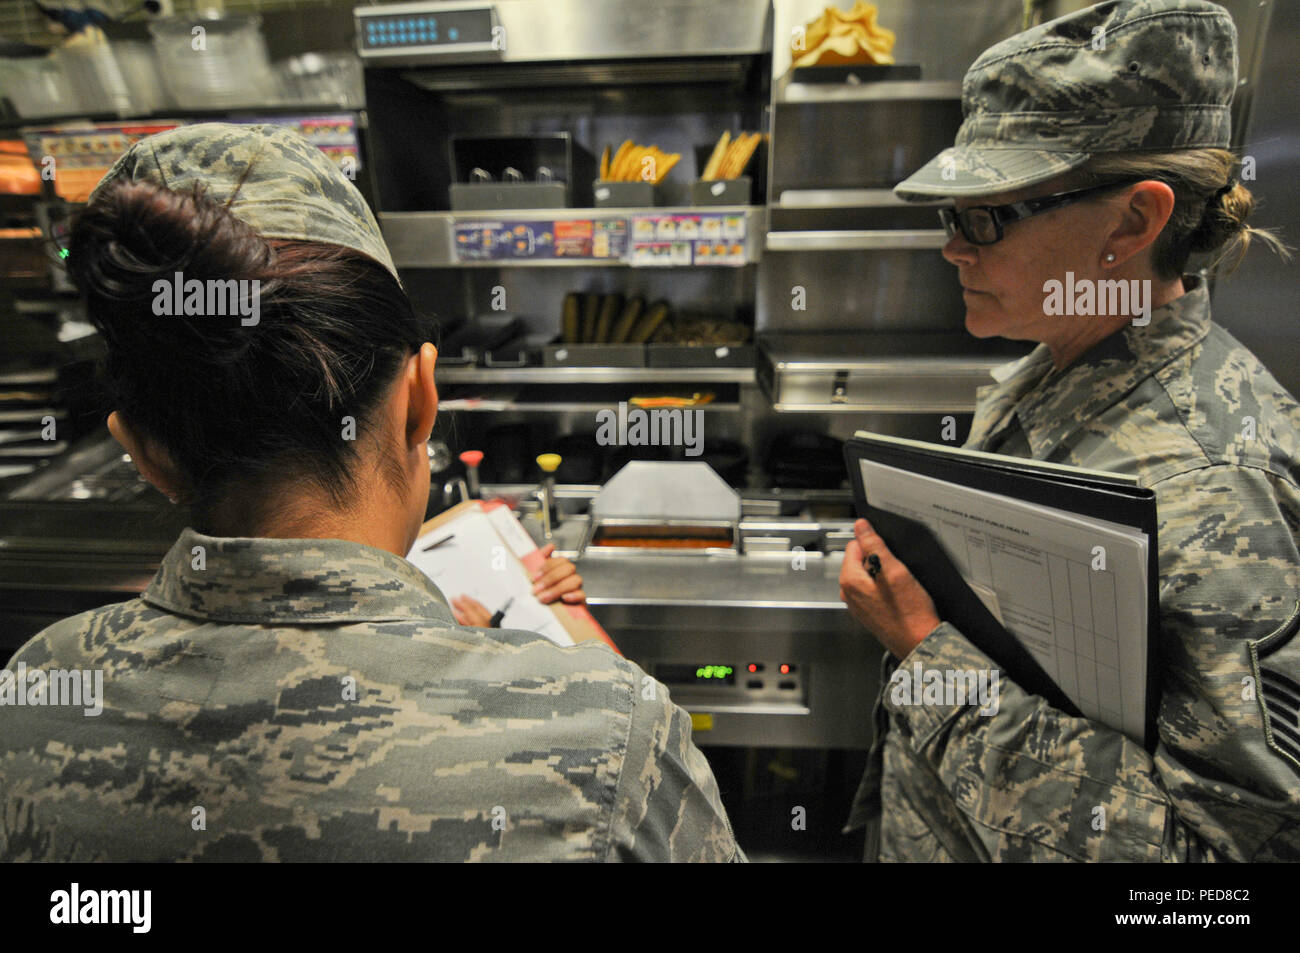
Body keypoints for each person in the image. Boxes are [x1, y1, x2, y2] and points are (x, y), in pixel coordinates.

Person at [0, 123, 743, 862]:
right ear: (421, 401)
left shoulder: (34, 691)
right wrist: (546, 663)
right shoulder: (611, 739)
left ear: (144, 453)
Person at [839, 0, 1300, 861]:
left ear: (1133, 222)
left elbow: (1215, 884)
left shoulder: (1214, 480)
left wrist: (929, 657)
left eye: (985, 215)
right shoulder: (1057, 361)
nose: (954, 249)